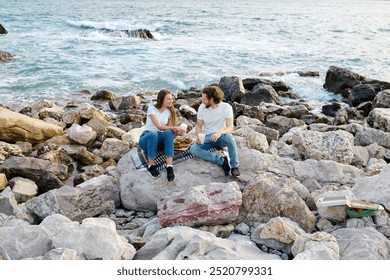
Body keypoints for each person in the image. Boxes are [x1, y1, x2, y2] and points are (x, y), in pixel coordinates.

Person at [189, 86, 240, 177]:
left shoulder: (226, 107)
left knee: (230, 138)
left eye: (204, 99)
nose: (202, 101)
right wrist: (199, 136)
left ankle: (234, 166)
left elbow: (230, 127)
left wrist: (219, 133)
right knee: (193, 149)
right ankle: (221, 161)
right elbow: (199, 125)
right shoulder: (202, 107)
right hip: (208, 137)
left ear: (212, 99)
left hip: (221, 136)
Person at [138, 89, 186, 181]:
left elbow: (168, 130)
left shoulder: (169, 112)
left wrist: (177, 131)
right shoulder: (152, 109)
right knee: (153, 133)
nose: (171, 101)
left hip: (159, 142)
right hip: (147, 140)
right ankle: (151, 165)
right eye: (168, 99)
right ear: (161, 99)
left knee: (168, 132)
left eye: (171, 99)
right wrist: (175, 128)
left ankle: (169, 166)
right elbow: (159, 127)